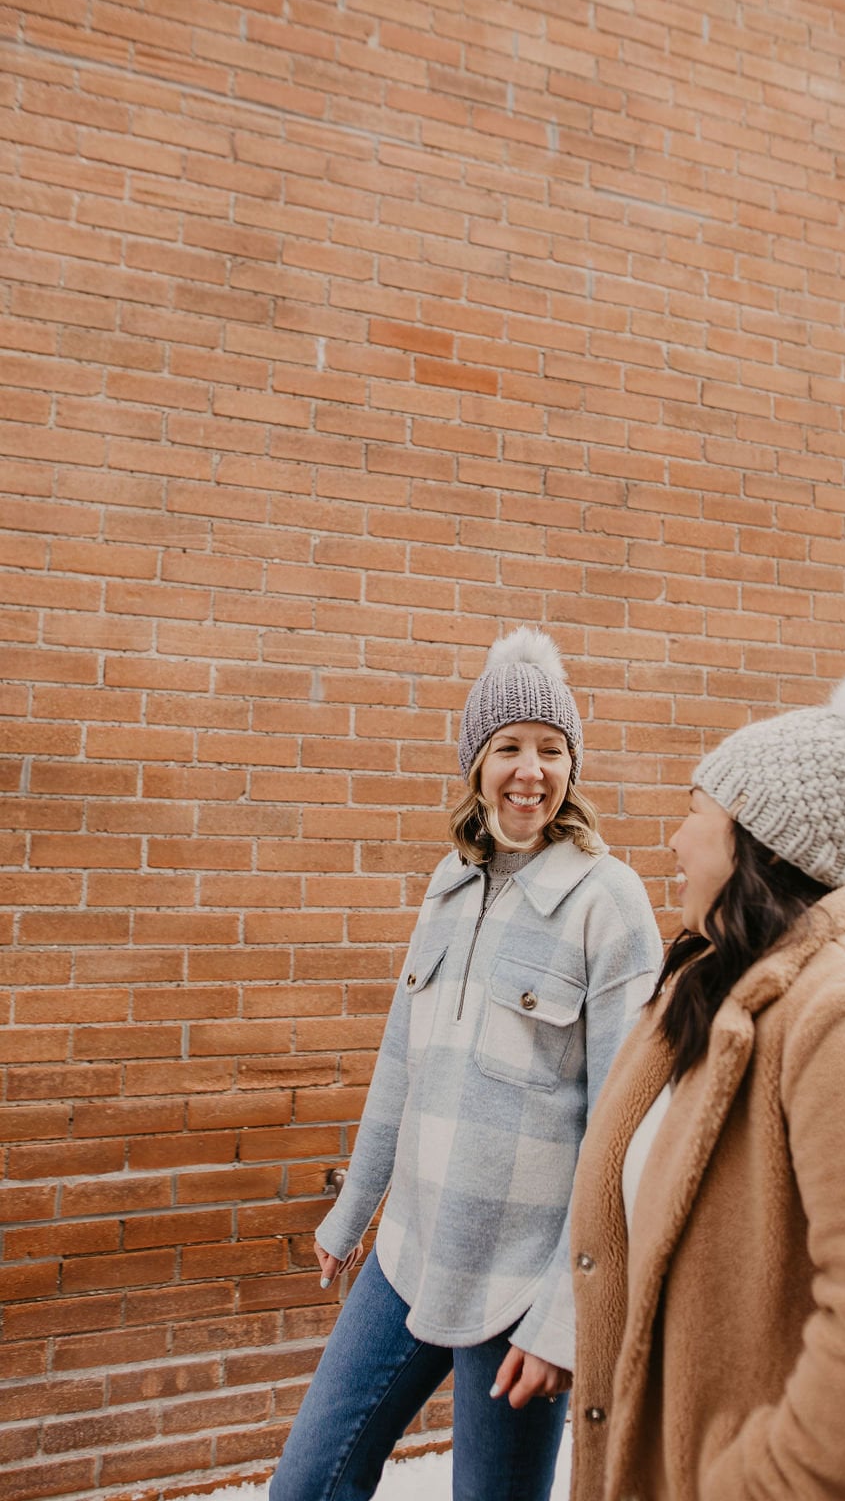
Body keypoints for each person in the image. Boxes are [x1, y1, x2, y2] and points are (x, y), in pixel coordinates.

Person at [570, 661, 845, 1501]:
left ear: (760, 842)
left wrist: (757, 1485)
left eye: (695, 811)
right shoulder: (707, 985)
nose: (674, 840)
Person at [270, 627, 663, 1501]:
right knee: (306, 1485)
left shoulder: (608, 901)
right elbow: (399, 1070)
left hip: (521, 1278)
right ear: (476, 762)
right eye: (509, 747)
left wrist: (564, 1316)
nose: (531, 771)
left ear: (573, 766)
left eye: (552, 750)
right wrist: (352, 1213)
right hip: (410, 1249)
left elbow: (625, 1133)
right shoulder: (446, 886)